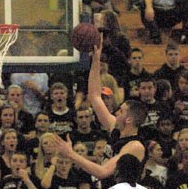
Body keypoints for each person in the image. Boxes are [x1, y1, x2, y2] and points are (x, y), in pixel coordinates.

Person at [54, 42, 146, 178]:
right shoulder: (115, 128)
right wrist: (95, 61)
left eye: (120, 111)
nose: (115, 113)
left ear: (129, 119)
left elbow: (103, 172)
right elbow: (95, 96)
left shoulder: (135, 146)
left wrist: (71, 154)